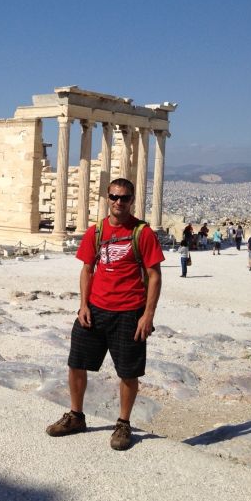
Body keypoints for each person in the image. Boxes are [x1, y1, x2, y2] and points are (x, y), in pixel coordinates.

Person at [45, 178, 164, 451]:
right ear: (107, 198)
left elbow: (154, 276)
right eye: (114, 196)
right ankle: (76, 416)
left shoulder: (142, 233)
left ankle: (123, 423)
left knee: (128, 372)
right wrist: (83, 305)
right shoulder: (96, 231)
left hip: (129, 312)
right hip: (95, 310)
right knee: (76, 362)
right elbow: (87, 269)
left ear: (132, 200)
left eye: (124, 197)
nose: (118, 202)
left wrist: (148, 315)